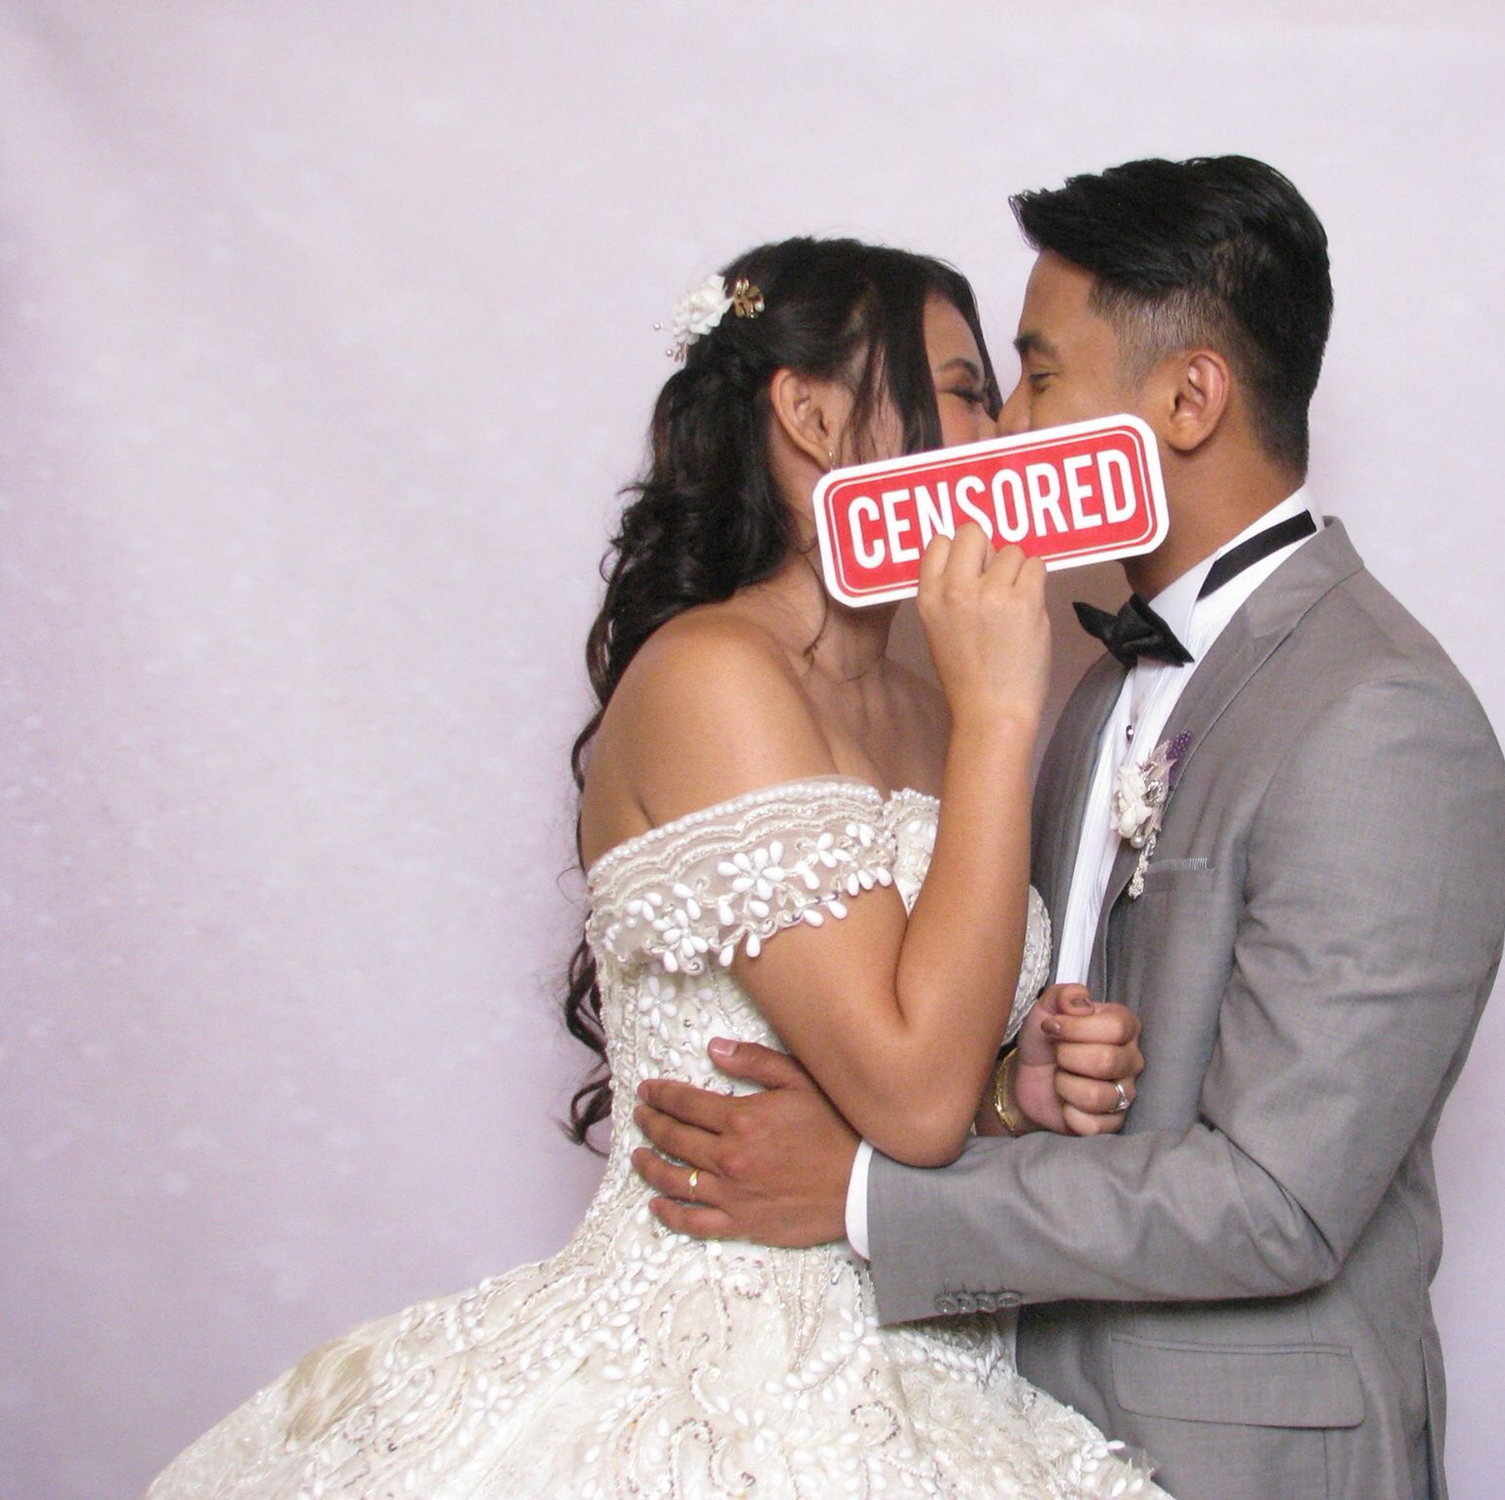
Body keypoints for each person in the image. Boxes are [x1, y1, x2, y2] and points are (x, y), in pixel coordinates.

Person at [146, 237, 1167, 1498]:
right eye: (962, 391)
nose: (1001, 436)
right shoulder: (713, 678)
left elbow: (931, 1074)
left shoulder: (928, 697)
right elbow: (908, 1097)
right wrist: (1004, 716)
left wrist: (1018, 1092)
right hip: (718, 1382)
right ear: (810, 415)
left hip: (941, 1360)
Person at [630, 158, 1505, 1500]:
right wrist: (1025, 1080)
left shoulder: (1380, 715)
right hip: (1003, 1419)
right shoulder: (1086, 682)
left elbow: (1279, 1202)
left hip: (1243, 1459)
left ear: (1188, 400)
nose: (999, 434)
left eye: (1034, 379)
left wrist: (864, 1193)